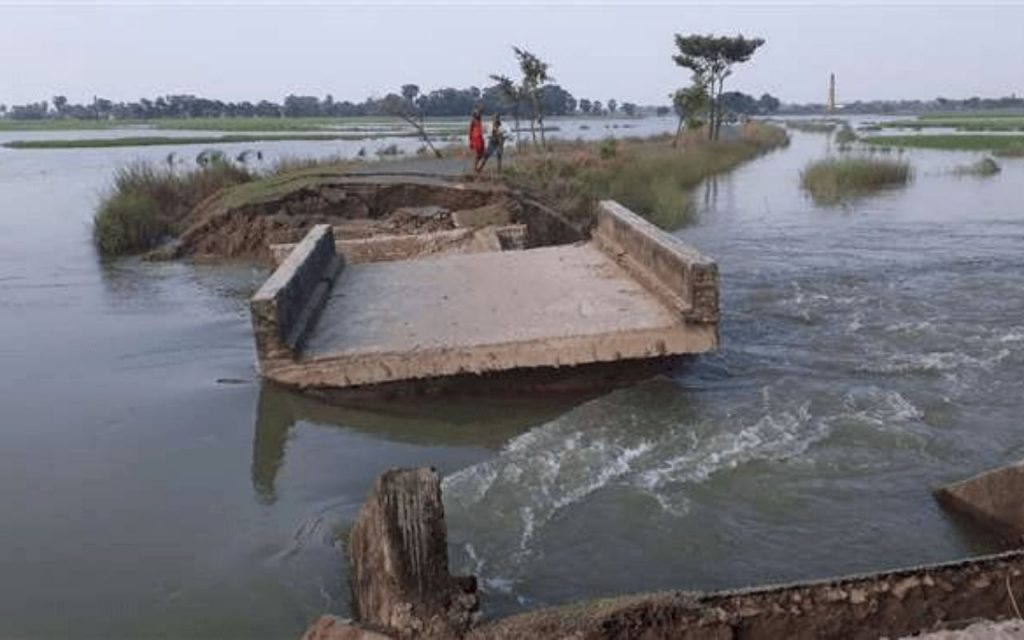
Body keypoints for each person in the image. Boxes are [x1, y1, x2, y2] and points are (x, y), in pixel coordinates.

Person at [468, 107, 485, 171]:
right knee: (478, 154)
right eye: (477, 113)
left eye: (479, 113)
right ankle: (475, 168)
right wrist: (470, 141)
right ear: (474, 114)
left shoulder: (479, 119)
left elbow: (481, 110)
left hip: (480, 137)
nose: (479, 114)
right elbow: (470, 131)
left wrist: (480, 109)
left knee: (482, 153)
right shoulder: (473, 120)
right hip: (475, 138)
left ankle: (477, 167)